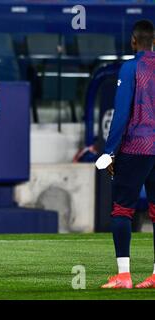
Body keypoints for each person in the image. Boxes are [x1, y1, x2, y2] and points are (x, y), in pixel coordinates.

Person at [100, 19, 154, 289]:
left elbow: (121, 114)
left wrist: (110, 151)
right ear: (153, 41)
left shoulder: (131, 67)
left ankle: (124, 275)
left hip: (136, 147)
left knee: (122, 209)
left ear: (134, 41)